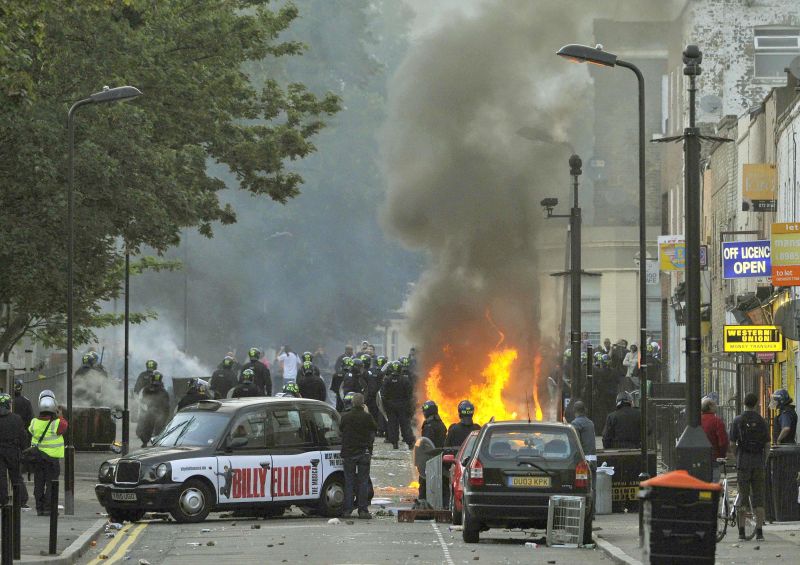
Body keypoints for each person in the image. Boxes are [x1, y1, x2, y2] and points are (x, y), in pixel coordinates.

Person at [729, 392, 769, 541]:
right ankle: (759, 532)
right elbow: (767, 445)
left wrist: (737, 456)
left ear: (744, 403)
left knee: (742, 497)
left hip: (743, 461)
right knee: (759, 499)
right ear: (757, 403)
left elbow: (732, 444)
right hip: (758, 462)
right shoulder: (762, 421)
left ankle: (741, 532)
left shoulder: (737, 420)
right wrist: (763, 460)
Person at [29, 391, 67, 516]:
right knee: (51, 485)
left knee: (38, 484)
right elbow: (64, 426)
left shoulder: (34, 422)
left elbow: (30, 430)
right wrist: (60, 415)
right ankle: (48, 508)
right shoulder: (56, 423)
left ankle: (39, 508)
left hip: (38, 458)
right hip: (52, 460)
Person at [339, 393, 376, 519]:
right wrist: (367, 412)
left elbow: (341, 429)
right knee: (363, 482)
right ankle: (363, 510)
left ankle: (347, 510)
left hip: (349, 453)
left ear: (352, 403)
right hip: (363, 453)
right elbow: (374, 428)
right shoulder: (367, 417)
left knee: (349, 482)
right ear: (362, 403)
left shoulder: (345, 417)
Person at [0, 393, 28, 508]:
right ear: (9, 405)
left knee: (1, 477)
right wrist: (24, 449)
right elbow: (23, 436)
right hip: (13, 451)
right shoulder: (17, 418)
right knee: (16, 476)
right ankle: (21, 500)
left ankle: (3, 500)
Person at [380, 361, 415, 449]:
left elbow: (383, 395)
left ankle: (394, 443)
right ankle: (410, 442)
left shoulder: (387, 380)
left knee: (392, 425)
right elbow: (409, 394)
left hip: (391, 407)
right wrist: (408, 406)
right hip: (403, 407)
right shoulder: (405, 380)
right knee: (405, 425)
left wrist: (387, 405)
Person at [137, 371, 170, 447]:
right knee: (156, 427)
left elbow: (143, 400)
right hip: (156, 412)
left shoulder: (147, 389)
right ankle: (154, 442)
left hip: (154, 412)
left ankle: (147, 442)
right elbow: (166, 405)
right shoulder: (162, 391)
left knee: (150, 427)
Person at [700, 396, 729, 481]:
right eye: (714, 404)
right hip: (713, 457)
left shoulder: (696, 421)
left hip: (698, 457)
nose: (716, 405)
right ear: (710, 407)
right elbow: (722, 442)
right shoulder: (717, 421)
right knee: (713, 483)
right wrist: (722, 455)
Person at [570, 401, 596, 466]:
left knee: (583, 476)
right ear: (584, 410)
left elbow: (576, 443)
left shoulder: (575, 423)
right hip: (593, 461)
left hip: (583, 462)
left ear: (574, 410)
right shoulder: (591, 423)